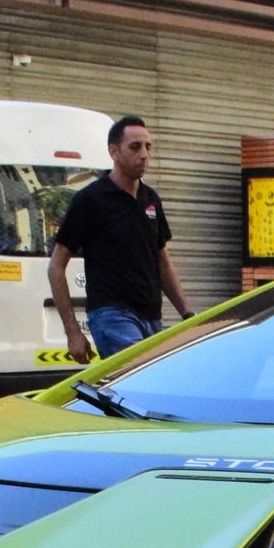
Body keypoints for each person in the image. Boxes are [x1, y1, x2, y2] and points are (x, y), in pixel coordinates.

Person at [51, 116, 193, 363]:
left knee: (139, 390)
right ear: (114, 152)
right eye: (135, 146)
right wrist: (73, 332)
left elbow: (163, 263)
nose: (144, 154)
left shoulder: (150, 199)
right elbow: (56, 267)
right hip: (112, 314)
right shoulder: (91, 200)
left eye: (148, 147)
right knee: (142, 379)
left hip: (151, 316)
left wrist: (187, 314)